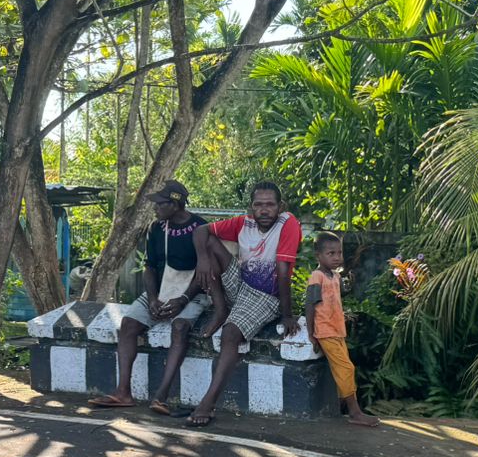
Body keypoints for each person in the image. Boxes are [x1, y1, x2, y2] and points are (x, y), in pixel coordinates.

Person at [185, 182, 303, 427]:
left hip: (265, 296)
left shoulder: (288, 223)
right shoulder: (244, 223)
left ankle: (207, 403)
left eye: (270, 205)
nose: (264, 210)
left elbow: (282, 270)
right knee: (208, 242)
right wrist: (203, 260)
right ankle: (220, 309)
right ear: (251, 207)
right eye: (258, 205)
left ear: (280, 206)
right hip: (240, 284)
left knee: (230, 334)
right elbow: (200, 231)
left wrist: (287, 314)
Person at [88, 180, 208, 413]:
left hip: (193, 293)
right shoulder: (156, 228)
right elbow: (150, 267)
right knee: (128, 324)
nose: (155, 208)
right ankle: (123, 392)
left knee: (180, 327)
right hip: (161, 291)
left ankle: (161, 397)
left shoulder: (201, 229)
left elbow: (205, 272)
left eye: (160, 204)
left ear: (175, 204)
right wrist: (152, 298)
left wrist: (182, 299)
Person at [305, 232, 380, 427]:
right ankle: (355, 412)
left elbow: (338, 296)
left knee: (341, 369)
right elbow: (310, 305)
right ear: (318, 256)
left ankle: (338, 408)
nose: (337, 257)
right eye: (331, 253)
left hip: (338, 330)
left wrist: (350, 285)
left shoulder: (336, 275)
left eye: (339, 253)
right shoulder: (317, 276)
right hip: (325, 331)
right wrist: (311, 334)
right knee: (346, 368)